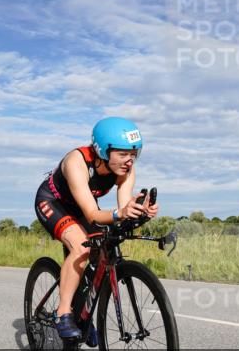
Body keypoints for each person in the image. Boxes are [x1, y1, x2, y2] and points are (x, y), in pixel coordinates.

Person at [34, 117, 158, 338]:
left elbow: (123, 207)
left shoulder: (125, 170)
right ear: (102, 150)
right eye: (122, 154)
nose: (129, 161)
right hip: (53, 203)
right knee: (81, 247)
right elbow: (92, 214)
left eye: (133, 154)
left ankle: (81, 313)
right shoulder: (76, 161)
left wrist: (138, 212)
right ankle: (62, 312)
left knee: (99, 254)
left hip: (82, 207)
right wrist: (120, 213)